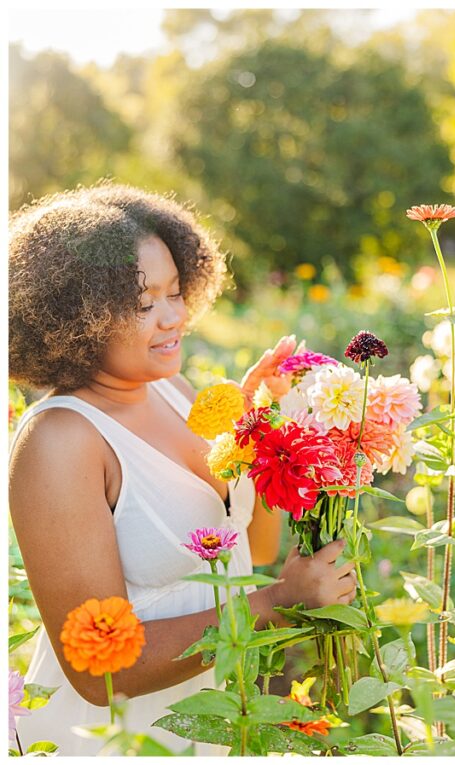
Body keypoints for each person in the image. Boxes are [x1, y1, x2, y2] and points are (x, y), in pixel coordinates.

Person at [8, 184, 358, 755]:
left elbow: (254, 549)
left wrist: (262, 433)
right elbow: (101, 672)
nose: (174, 317)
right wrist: (275, 604)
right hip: (119, 743)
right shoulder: (61, 441)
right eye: (144, 304)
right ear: (77, 316)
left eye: (175, 291)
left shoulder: (171, 389)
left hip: (212, 726)